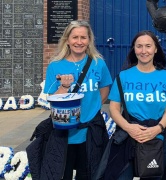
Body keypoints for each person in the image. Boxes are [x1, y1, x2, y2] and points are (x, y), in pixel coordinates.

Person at [27, 20, 113, 180]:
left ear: (89, 40)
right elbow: (52, 99)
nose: (79, 42)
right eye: (75, 37)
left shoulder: (98, 63)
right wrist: (64, 87)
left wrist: (94, 106)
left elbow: (105, 87)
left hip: (90, 131)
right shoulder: (55, 65)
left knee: (88, 173)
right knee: (62, 173)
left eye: (83, 37)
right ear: (67, 40)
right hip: (64, 131)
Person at [95, 30, 166, 180]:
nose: (144, 51)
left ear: (155, 49)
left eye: (148, 46)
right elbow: (114, 108)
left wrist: (158, 128)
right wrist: (129, 127)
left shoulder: (165, 77)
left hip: (156, 138)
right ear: (134, 49)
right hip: (127, 137)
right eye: (139, 46)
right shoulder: (123, 76)